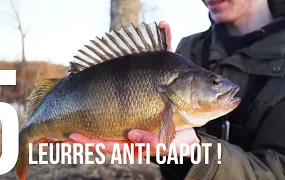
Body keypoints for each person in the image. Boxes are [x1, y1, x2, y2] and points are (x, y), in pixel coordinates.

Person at [65, 0, 285, 179]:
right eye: (214, 82)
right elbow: (161, 137)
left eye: (213, 83)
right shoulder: (190, 48)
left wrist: (198, 152)